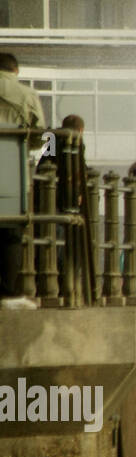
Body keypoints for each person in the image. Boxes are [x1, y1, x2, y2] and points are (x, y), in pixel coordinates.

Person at [0, 53, 45, 300]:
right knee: (11, 230)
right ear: (15, 71)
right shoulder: (27, 95)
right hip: (11, 168)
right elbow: (39, 134)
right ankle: (7, 290)